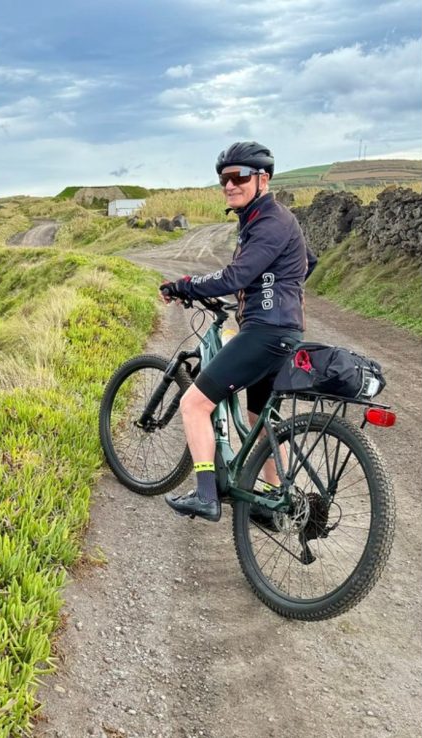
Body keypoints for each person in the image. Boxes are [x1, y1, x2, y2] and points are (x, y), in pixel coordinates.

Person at [159, 141, 317, 522]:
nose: (229, 185)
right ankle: (269, 501)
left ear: (263, 179)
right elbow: (306, 262)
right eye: (223, 179)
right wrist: (279, 291)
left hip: (266, 333)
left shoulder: (269, 222)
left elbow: (236, 276)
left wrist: (185, 285)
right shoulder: (268, 221)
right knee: (258, 418)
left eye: (239, 176)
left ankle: (205, 494)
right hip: (282, 332)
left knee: (194, 404)